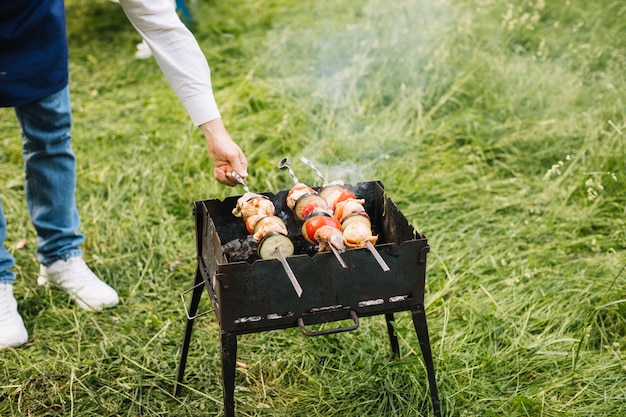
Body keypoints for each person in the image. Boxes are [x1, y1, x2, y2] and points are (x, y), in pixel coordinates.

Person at [0, 0, 248, 350]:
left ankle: (60, 256)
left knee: (51, 136)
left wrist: (215, 131)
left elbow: (162, 25)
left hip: (34, 24)